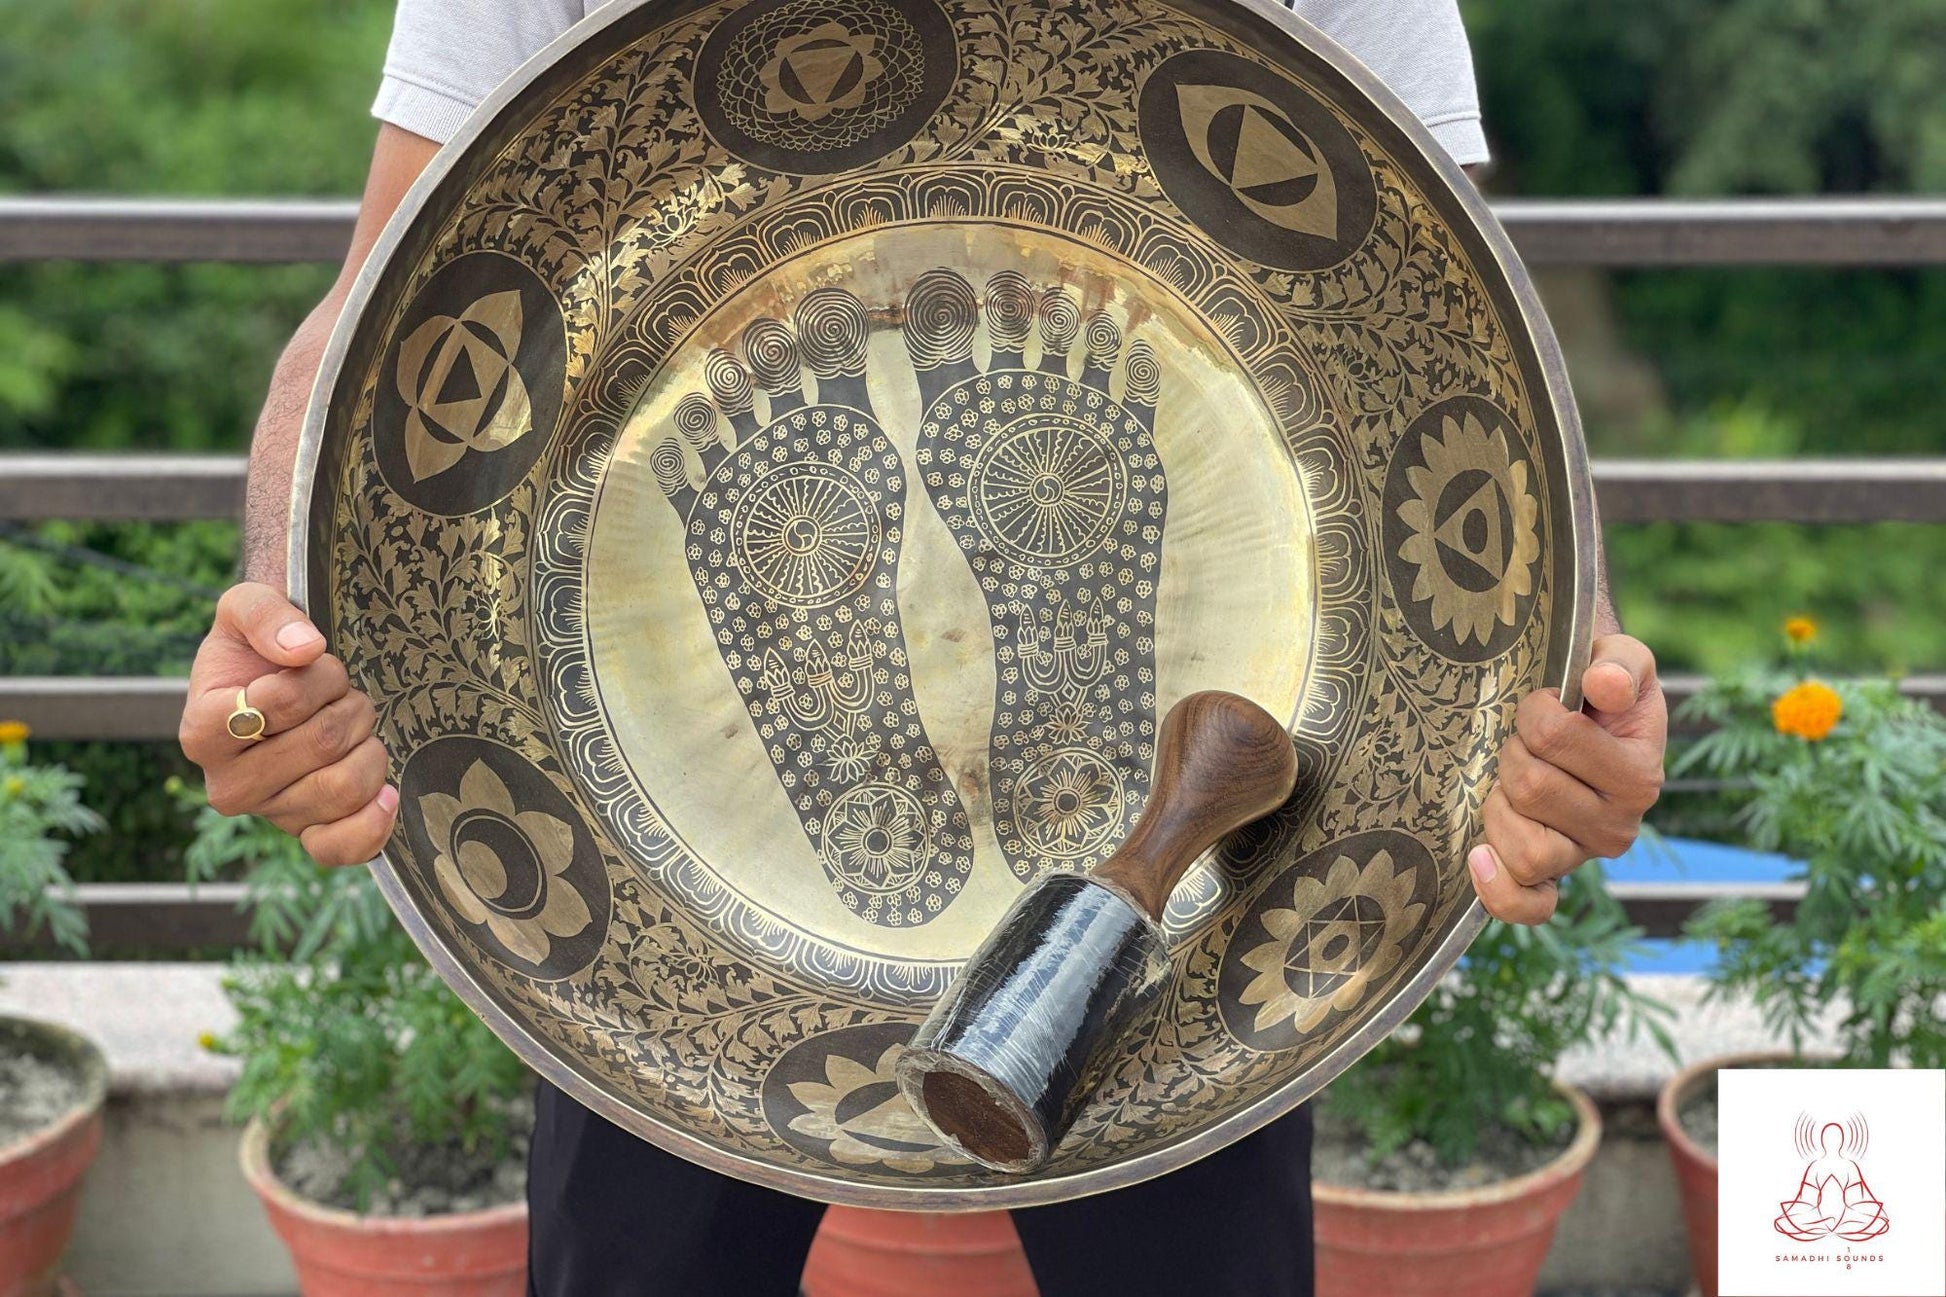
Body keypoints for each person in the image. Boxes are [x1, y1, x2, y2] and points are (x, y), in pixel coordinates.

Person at [178, 2, 1669, 1293]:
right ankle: (1048, 723)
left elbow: (1447, 312)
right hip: (1126, 868)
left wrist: (1568, 673)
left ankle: (969, 648)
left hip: (788, 881)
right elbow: (385, 303)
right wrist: (283, 630)